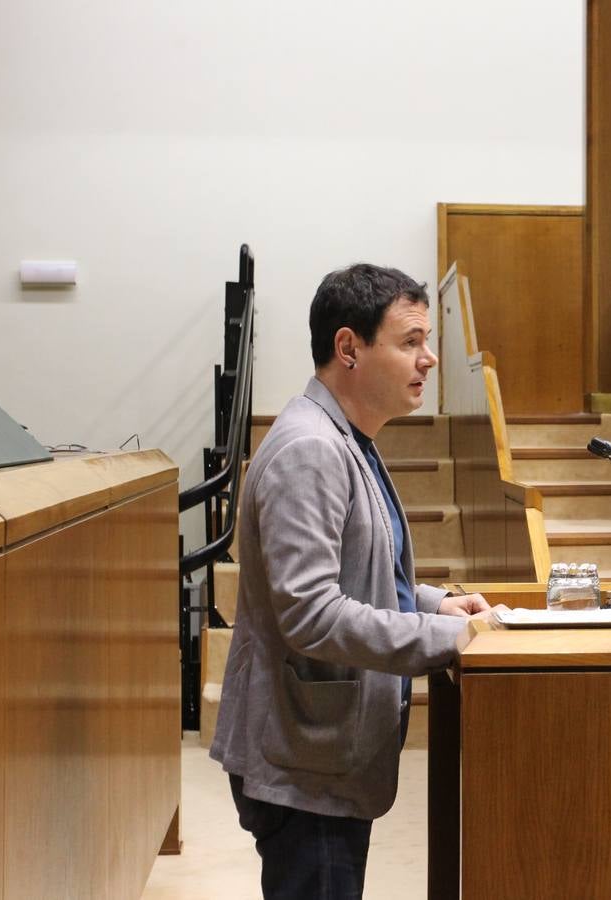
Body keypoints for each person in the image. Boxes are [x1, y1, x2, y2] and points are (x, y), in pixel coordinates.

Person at [210, 264, 505, 898]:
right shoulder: (310, 449)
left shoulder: (347, 438)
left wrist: (435, 602)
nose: (428, 359)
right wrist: (445, 638)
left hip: (326, 753)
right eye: (410, 342)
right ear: (349, 348)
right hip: (306, 759)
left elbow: (361, 571)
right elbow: (311, 613)